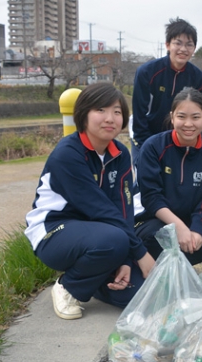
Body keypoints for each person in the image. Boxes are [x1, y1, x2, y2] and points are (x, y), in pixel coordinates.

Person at [24, 83, 156, 320]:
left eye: (117, 112)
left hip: (100, 234)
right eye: (101, 110)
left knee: (136, 294)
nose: (110, 118)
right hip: (54, 232)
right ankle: (69, 286)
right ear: (83, 114)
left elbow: (123, 209)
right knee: (113, 239)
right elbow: (100, 208)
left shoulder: (120, 153)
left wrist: (126, 260)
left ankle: (96, 279)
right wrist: (139, 253)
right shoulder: (68, 153)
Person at [134, 88, 202, 264]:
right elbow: (151, 197)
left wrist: (196, 230)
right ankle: (147, 269)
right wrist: (179, 227)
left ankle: (177, 274)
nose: (188, 124)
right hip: (151, 220)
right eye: (181, 117)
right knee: (162, 236)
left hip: (187, 221)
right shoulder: (153, 147)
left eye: (195, 117)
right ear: (172, 117)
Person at [131, 18, 202, 169]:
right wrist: (148, 147)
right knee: (147, 180)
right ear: (167, 45)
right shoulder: (147, 72)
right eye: (178, 43)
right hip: (147, 136)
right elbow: (140, 115)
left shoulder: (198, 77)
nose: (183, 49)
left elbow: (198, 114)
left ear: (194, 48)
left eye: (189, 44)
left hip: (181, 138)